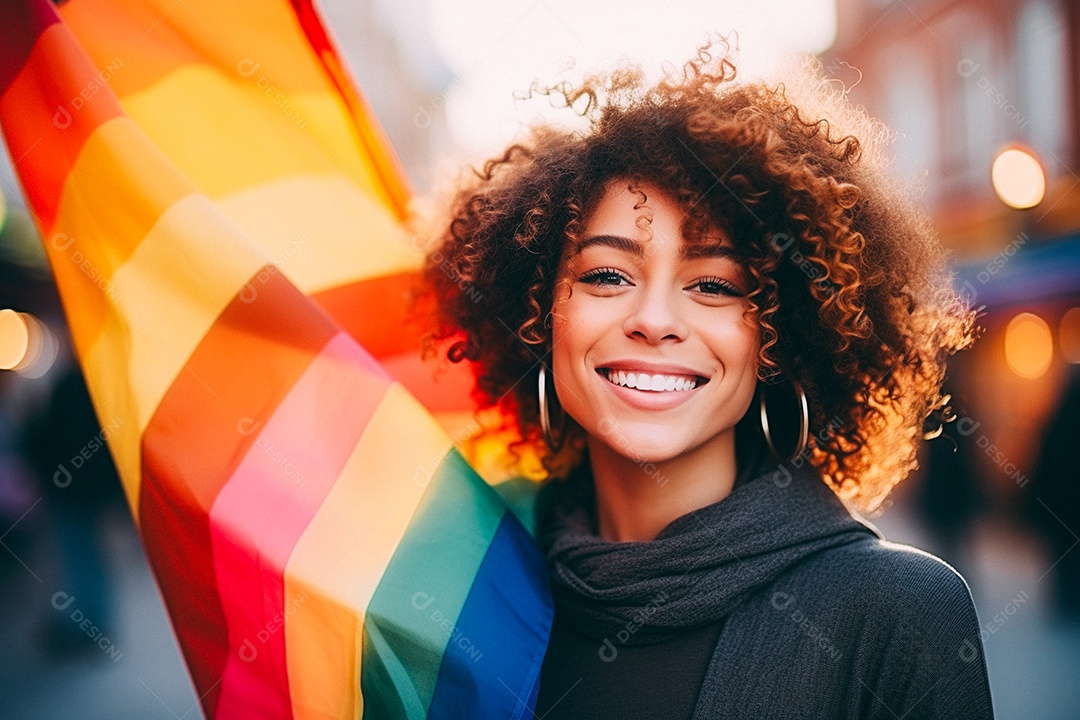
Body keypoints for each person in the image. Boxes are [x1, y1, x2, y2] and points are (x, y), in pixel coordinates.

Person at [420, 39, 994, 720]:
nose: (655, 320)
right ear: (538, 317)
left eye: (714, 285)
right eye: (607, 275)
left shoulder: (896, 613)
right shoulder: (459, 592)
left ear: (782, 340)